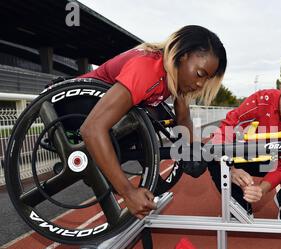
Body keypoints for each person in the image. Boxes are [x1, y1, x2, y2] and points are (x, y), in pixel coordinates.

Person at [79, 25, 227, 219]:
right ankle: (110, 174)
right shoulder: (148, 68)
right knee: (149, 116)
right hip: (76, 108)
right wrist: (128, 192)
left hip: (108, 117)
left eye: (206, 79)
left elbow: (182, 119)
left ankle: (142, 178)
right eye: (200, 74)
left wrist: (194, 149)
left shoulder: (175, 78)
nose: (200, 84)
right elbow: (92, 129)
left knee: (155, 116)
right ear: (182, 54)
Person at [207, 65, 281, 220]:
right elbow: (226, 129)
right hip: (249, 154)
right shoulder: (262, 99)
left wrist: (261, 190)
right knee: (213, 155)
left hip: (279, 159)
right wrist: (231, 170)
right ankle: (238, 204)